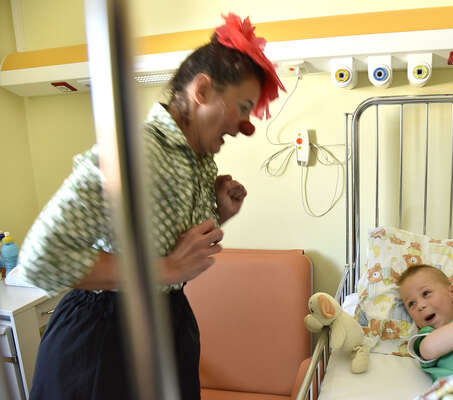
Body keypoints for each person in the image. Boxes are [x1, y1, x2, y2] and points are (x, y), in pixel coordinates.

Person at [19, 13, 285, 400]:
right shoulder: (138, 151)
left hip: (168, 325)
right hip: (102, 341)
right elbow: (42, 257)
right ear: (203, 90)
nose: (245, 126)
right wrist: (166, 269)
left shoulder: (198, 161)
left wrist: (220, 212)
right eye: (243, 107)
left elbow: (165, 244)